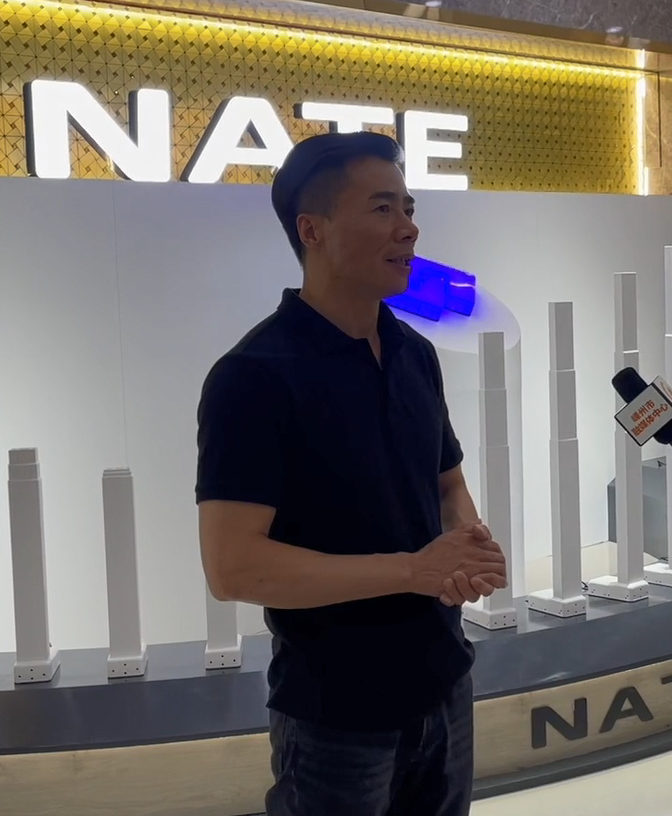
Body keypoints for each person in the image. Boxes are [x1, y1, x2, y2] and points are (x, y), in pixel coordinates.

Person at [195, 131, 508, 816]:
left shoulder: (414, 353)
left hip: (445, 685)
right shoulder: (253, 377)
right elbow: (234, 568)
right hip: (336, 716)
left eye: (409, 208)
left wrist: (468, 544)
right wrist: (414, 570)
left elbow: (447, 483)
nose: (409, 228)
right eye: (383, 208)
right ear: (313, 230)